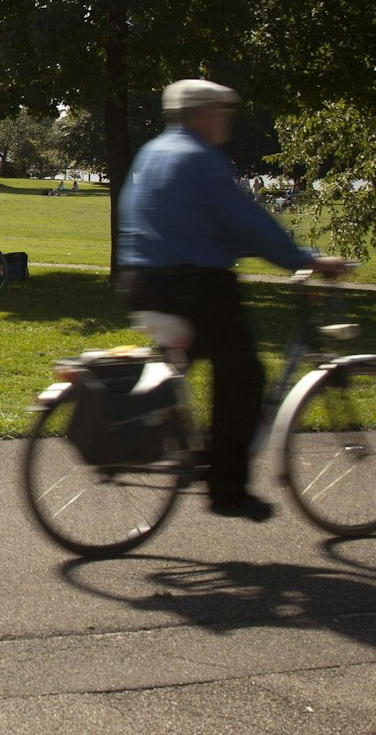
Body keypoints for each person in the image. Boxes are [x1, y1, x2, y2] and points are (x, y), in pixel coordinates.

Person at [118, 79, 348, 523]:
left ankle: (169, 442)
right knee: (242, 375)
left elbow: (192, 224)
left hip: (141, 281)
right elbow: (248, 221)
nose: (227, 120)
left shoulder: (153, 152)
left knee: (180, 371)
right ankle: (227, 490)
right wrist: (304, 259)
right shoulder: (201, 159)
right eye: (223, 112)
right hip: (195, 288)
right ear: (204, 114)